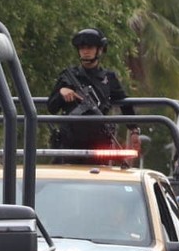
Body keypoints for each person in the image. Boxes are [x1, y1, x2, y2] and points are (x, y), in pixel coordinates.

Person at [46, 28, 140, 160]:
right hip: (70, 144)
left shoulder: (108, 78)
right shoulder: (68, 76)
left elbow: (125, 104)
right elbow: (51, 106)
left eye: (90, 47)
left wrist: (134, 130)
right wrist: (62, 92)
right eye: (82, 48)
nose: (85, 51)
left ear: (99, 50)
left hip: (99, 143)